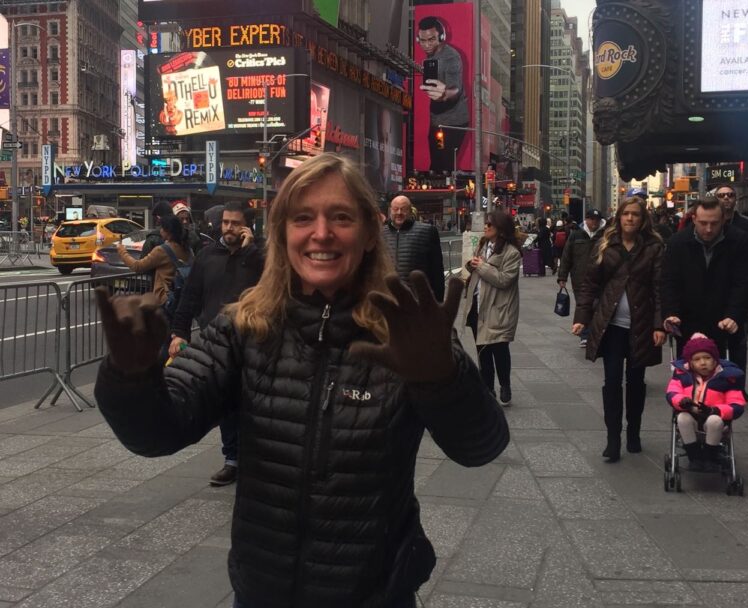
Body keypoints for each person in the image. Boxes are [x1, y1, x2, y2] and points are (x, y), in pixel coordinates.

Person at [93, 153, 509, 608]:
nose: (322, 233)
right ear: (283, 234)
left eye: (341, 217)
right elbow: (158, 432)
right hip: (263, 591)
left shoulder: (406, 332)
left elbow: (481, 447)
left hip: (375, 594)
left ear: (370, 233)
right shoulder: (244, 327)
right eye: (303, 218)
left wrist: (442, 378)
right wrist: (132, 377)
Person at [169, 201, 265, 487]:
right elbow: (190, 297)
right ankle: (232, 460)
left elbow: (271, 286)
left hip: (255, 341)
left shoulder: (261, 255)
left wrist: (249, 252)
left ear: (247, 225)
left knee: (253, 403)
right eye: (225, 223)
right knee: (226, 404)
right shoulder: (207, 256)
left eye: (235, 223)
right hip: (217, 343)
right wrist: (179, 332)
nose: (229, 228)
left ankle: (256, 459)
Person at [572, 197, 666, 462]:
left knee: (636, 382)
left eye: (635, 215)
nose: (630, 219)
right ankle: (613, 438)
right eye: (626, 214)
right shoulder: (605, 245)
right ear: (619, 217)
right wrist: (582, 317)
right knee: (611, 382)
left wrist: (660, 324)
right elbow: (589, 284)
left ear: (642, 219)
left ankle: (633, 432)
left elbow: (660, 288)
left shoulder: (654, 247)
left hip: (641, 325)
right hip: (611, 327)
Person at [661, 196, 748, 371]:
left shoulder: (739, 240)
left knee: (726, 377)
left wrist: (733, 315)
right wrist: (671, 312)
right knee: (688, 377)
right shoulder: (677, 243)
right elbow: (669, 282)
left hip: (724, 321)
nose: (709, 229)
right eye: (703, 223)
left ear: (723, 219)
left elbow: (742, 283)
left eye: (714, 223)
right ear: (694, 219)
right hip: (688, 321)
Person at [462, 210, 521, 406]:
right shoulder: (482, 246)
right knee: (483, 352)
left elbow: (504, 280)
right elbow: (478, 272)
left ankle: (505, 384)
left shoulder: (511, 253)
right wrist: (472, 266)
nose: (485, 227)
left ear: (501, 230)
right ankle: (488, 390)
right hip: (478, 306)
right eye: (486, 224)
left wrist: (482, 267)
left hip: (499, 307)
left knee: (499, 349)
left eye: (490, 225)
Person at [666, 332, 746, 471]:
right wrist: (682, 401)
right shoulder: (682, 376)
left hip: (716, 420)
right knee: (682, 417)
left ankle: (710, 457)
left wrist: (716, 410)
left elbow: (737, 405)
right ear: (689, 363)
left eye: (707, 358)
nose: (703, 363)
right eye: (697, 359)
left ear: (715, 360)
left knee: (714, 420)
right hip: (691, 416)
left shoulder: (727, 379)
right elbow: (672, 392)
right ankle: (694, 457)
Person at [713, 185, 748, 386]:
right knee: (714, 338)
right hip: (715, 289)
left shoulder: (746, 225)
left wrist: (746, 267)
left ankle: (737, 386)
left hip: (741, 289)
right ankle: (716, 383)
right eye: (722, 195)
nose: (726, 199)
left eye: (730, 195)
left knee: (739, 340)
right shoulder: (711, 222)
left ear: (735, 199)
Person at [417, 16, 469, 173]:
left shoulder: (451, 57)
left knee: (443, 168)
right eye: (423, 40)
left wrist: (445, 94)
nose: (426, 45)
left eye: (431, 40)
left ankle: (447, 197)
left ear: (442, 37)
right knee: (436, 167)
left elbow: (456, 89)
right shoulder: (431, 57)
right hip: (437, 121)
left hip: (454, 123)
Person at [117, 214, 192, 307]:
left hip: (166, 300)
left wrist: (122, 251)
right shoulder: (187, 248)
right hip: (183, 298)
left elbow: (137, 266)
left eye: (162, 228)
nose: (160, 231)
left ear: (167, 231)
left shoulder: (162, 250)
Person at [558, 209, 607, 347]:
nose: (594, 222)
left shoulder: (605, 235)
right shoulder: (576, 235)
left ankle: (596, 334)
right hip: (580, 278)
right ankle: (585, 335)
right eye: (591, 219)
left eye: (596, 220)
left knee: (598, 306)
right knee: (583, 305)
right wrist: (562, 277)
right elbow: (567, 256)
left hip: (600, 278)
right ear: (586, 220)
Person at [383, 195, 445, 301]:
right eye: (395, 209)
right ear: (390, 211)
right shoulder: (379, 233)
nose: (399, 212)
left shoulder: (427, 232)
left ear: (410, 211)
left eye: (403, 209)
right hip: (387, 300)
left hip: (417, 302)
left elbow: (437, 271)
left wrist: (438, 304)